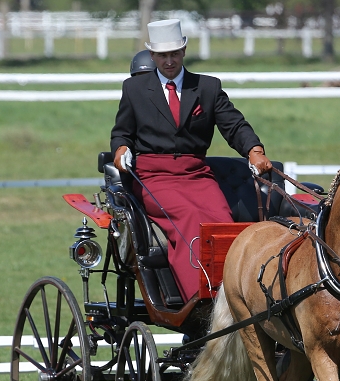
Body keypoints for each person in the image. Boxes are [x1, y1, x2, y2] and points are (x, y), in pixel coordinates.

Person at [110, 18, 272, 303]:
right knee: (189, 216)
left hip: (197, 174)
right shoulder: (134, 89)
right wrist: (121, 148)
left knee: (221, 220)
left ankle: (237, 292)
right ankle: (201, 295)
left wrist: (254, 149)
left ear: (184, 51)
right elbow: (122, 132)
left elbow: (234, 125)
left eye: (175, 54)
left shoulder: (207, 88)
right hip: (153, 176)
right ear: (153, 56)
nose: (169, 61)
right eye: (163, 55)